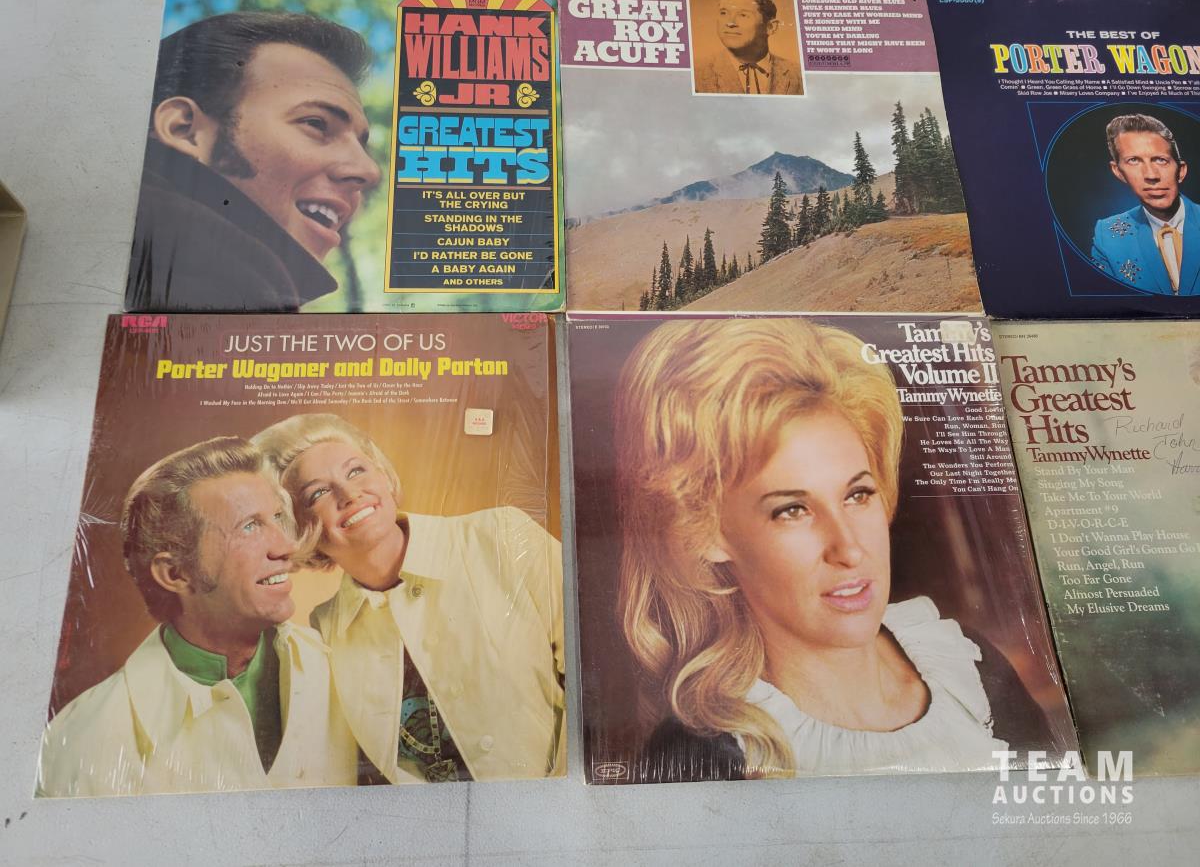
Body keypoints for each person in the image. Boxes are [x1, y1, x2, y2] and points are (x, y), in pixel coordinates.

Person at [613, 318, 1050, 781]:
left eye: (857, 494)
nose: (850, 549)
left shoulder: (970, 667)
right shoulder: (706, 758)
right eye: (792, 510)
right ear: (706, 533)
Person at [252, 414, 565, 783]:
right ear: (297, 527)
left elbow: (597, 676)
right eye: (317, 493)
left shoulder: (501, 537)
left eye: (356, 471)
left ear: (384, 476)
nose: (350, 494)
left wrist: (558, 801)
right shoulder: (325, 630)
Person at [37, 437, 358, 797]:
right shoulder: (82, 743)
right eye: (249, 527)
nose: (286, 546)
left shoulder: (340, 664)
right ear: (175, 573)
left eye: (278, 518)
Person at [125, 12, 383, 313]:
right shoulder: (214, 281)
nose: (369, 171)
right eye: (316, 123)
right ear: (183, 129)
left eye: (361, 144)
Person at [1091, 113, 1200, 296]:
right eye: (1133, 161)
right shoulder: (1107, 235)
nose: (1151, 175)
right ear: (1118, 172)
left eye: (1161, 160)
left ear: (1180, 171)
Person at [693, 0, 802, 96]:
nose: (730, 23)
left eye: (743, 15)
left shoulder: (798, 74)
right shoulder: (697, 74)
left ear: (770, 27)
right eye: (723, 13)